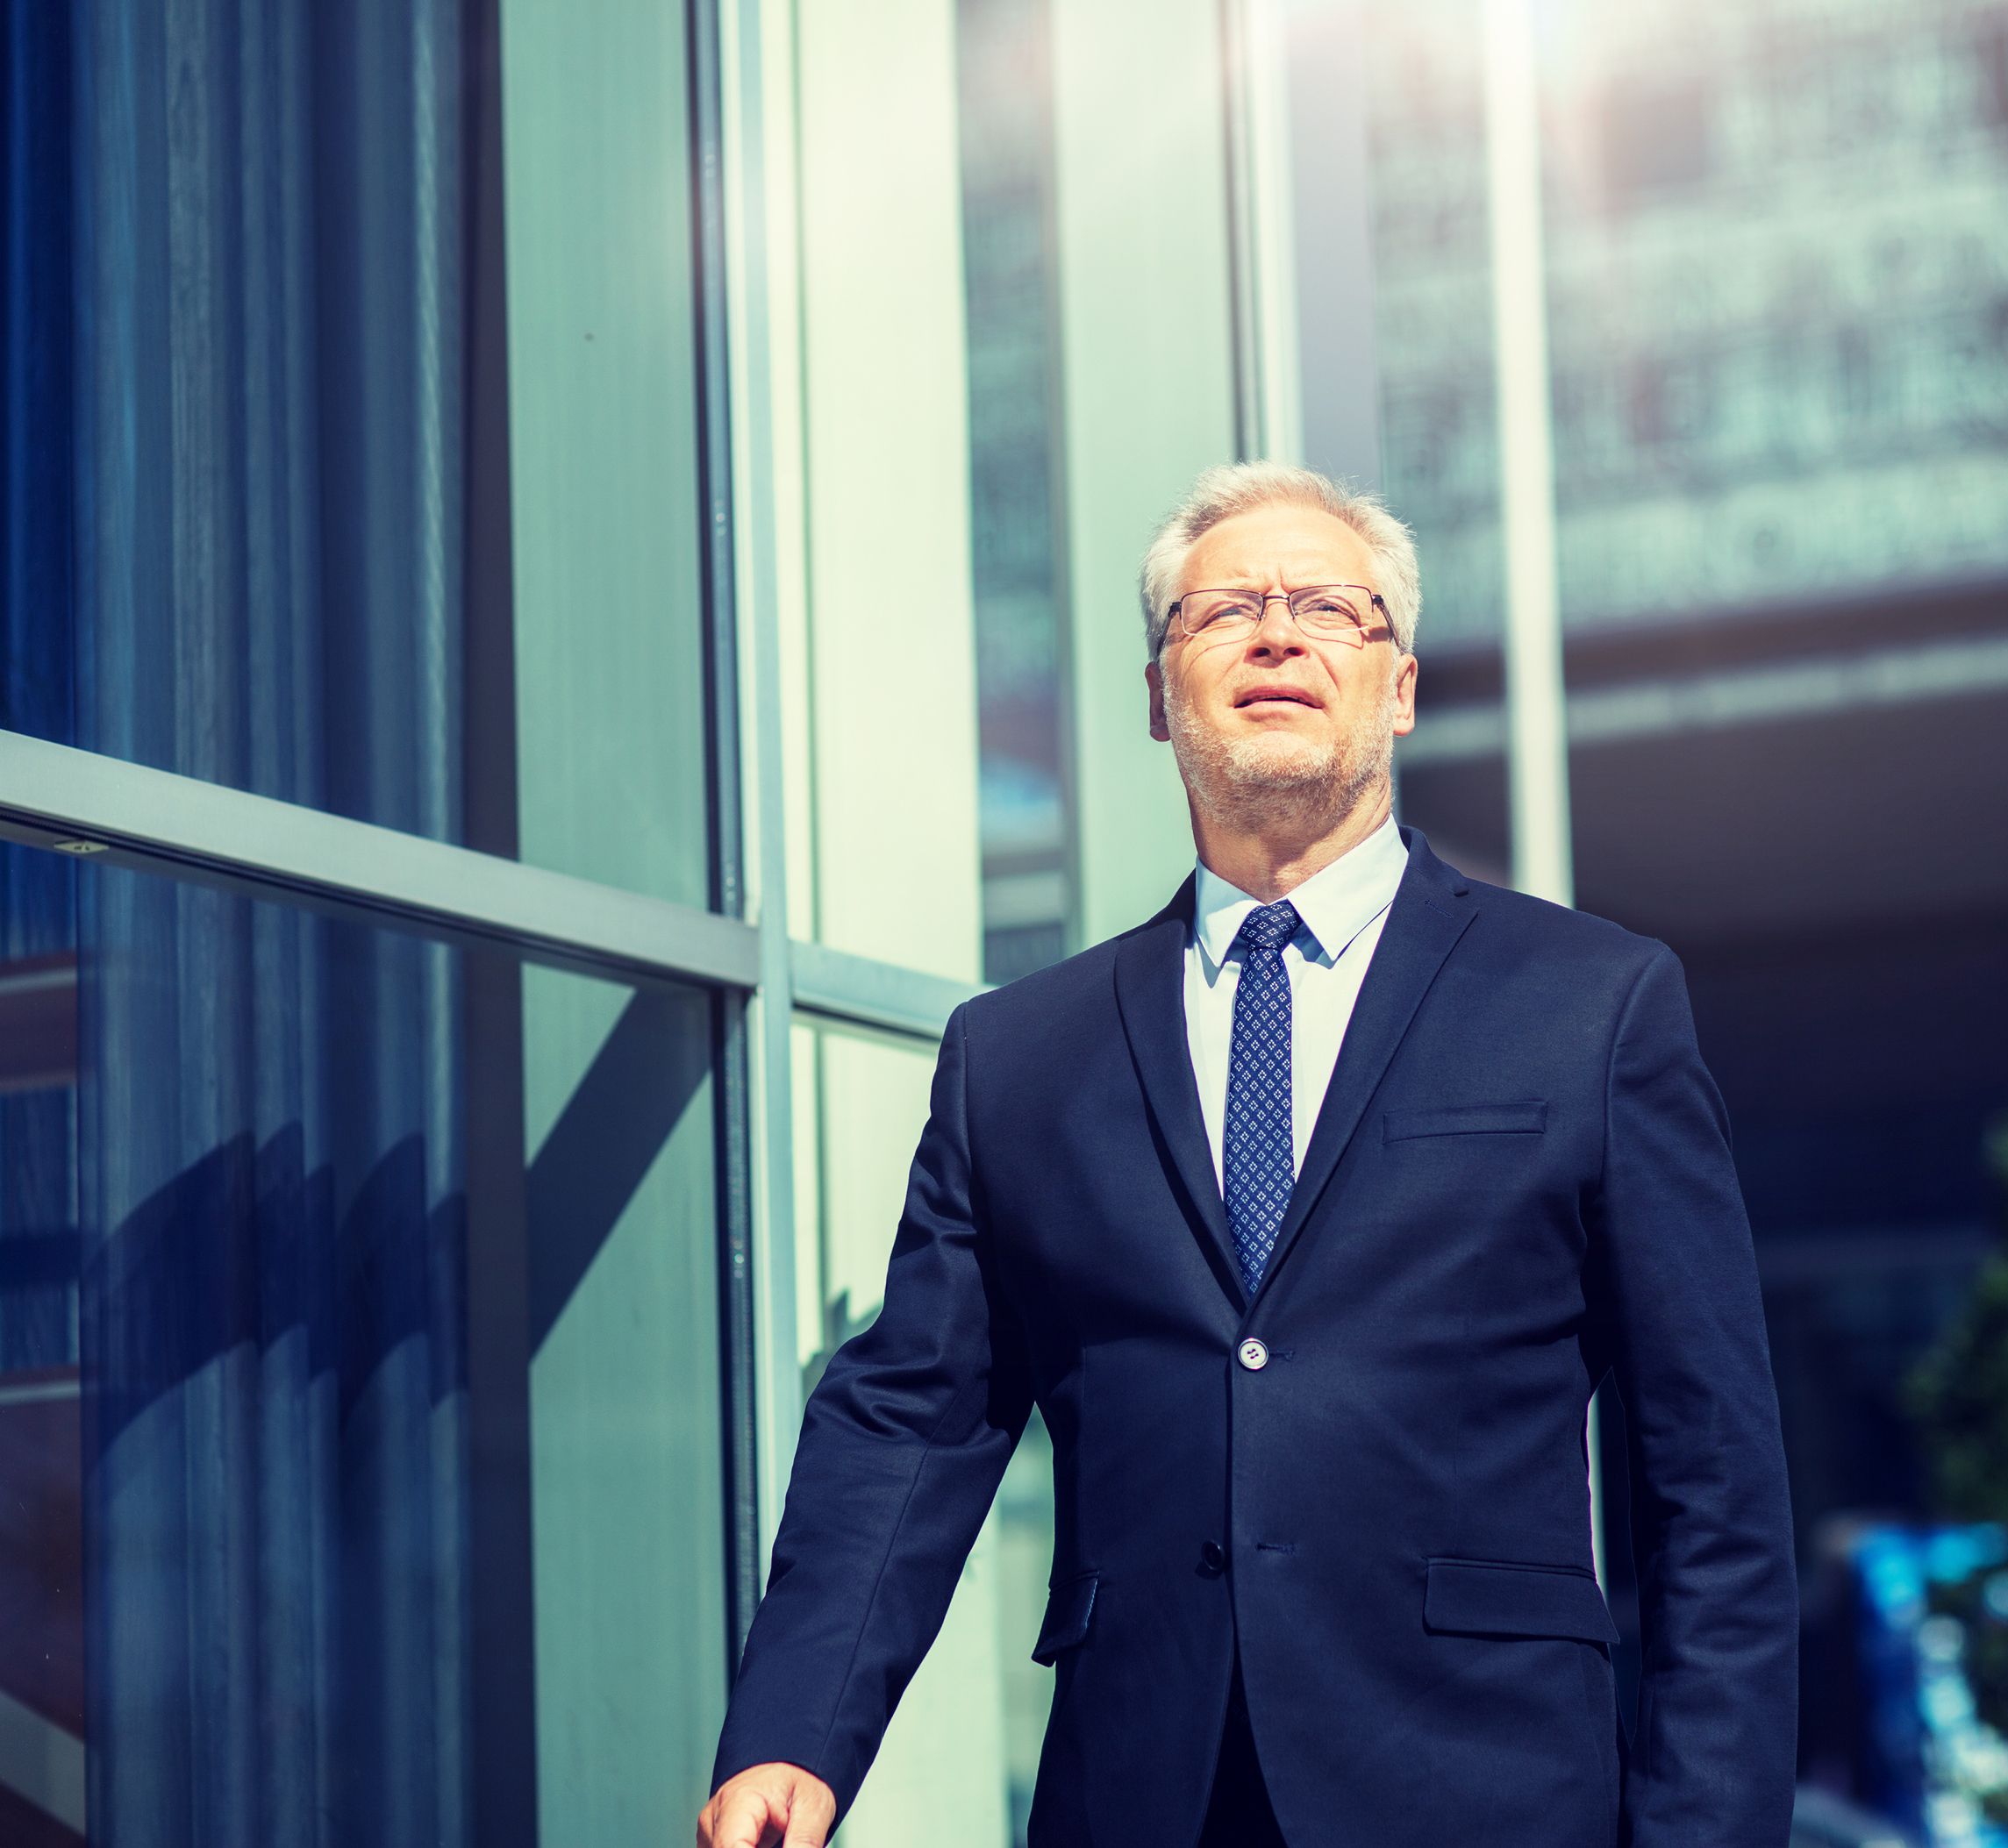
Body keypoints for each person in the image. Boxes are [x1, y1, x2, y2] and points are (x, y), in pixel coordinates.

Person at [697, 461, 1797, 1848]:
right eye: (1227, 611)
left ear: (1397, 689)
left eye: (1328, 607)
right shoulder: (1019, 1055)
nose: (1277, 634)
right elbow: (910, 1415)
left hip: (1489, 1795)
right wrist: (792, 1736)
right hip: (1140, 1796)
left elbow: (1714, 1483)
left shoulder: (1591, 1006)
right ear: (1158, 697)